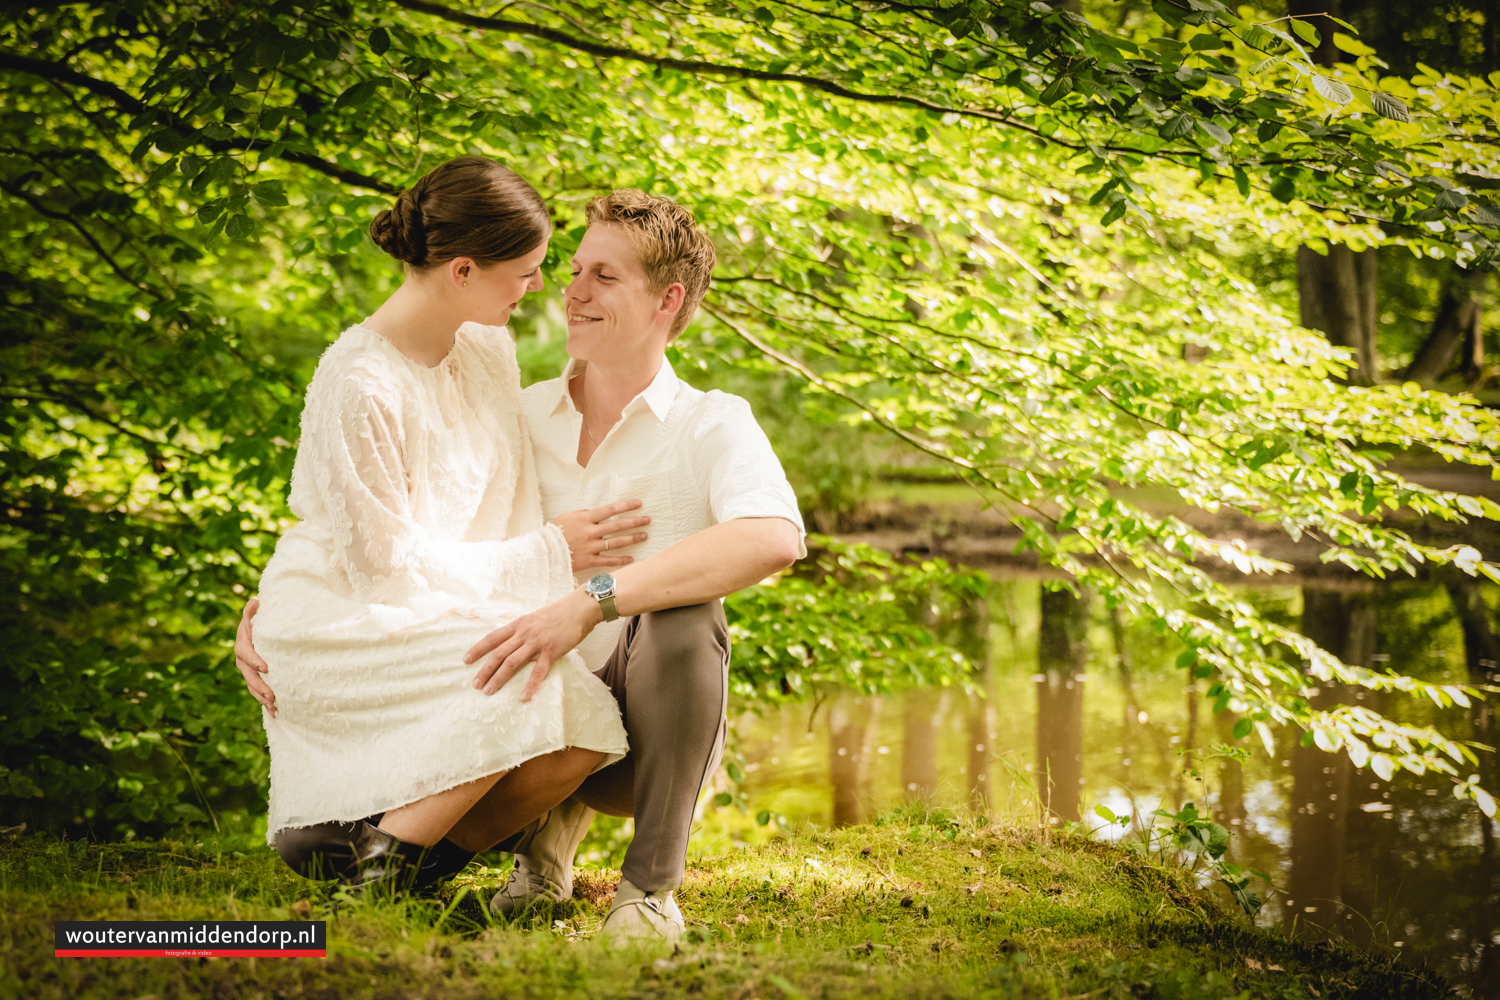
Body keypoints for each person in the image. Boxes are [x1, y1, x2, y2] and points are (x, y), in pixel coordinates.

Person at [239, 188, 806, 938]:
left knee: (682, 616)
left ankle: (647, 893)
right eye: (572, 269)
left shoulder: (710, 422)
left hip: (648, 724)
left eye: (603, 276)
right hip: (502, 695)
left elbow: (773, 538)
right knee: (314, 849)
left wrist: (591, 600)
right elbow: (389, 524)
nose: (570, 291)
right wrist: (280, 612)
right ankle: (531, 852)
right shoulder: (512, 406)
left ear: (668, 300)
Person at [240, 156, 632, 892]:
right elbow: (381, 567)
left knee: (586, 728)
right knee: (525, 681)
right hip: (349, 613)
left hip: (449, 604)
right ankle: (383, 882)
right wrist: (549, 553)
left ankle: (403, 873)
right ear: (462, 270)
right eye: (526, 271)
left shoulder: (487, 348)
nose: (540, 286)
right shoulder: (360, 382)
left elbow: (510, 496)